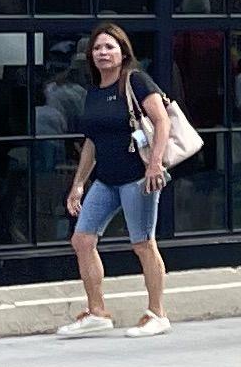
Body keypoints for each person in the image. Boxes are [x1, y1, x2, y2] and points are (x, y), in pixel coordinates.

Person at [57, 19, 180, 334]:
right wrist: (78, 184)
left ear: (123, 52)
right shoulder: (94, 92)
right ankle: (97, 312)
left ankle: (157, 314)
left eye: (109, 46)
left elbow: (162, 121)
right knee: (82, 240)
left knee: (143, 243)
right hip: (107, 179)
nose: (102, 52)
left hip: (138, 177)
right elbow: (91, 143)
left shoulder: (136, 81)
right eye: (97, 48)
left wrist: (154, 165)